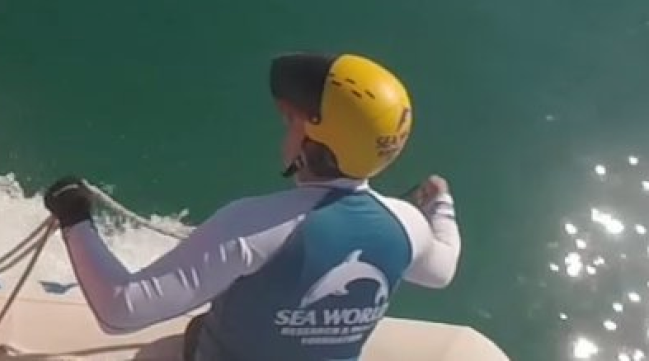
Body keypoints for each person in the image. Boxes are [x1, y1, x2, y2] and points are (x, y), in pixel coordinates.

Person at [42, 52, 460, 361]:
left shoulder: (255, 225)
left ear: (316, 143)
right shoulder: (408, 226)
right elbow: (441, 272)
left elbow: (121, 310)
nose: (286, 128)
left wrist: (75, 217)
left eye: (292, 121)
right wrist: (441, 203)